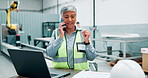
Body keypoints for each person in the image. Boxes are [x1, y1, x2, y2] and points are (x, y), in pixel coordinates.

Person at [46, 5, 96, 70]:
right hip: (61, 73)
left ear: (76, 17)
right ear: (62, 18)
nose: (70, 20)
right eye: (66, 17)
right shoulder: (56, 33)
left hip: (80, 73)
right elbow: (50, 53)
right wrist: (60, 37)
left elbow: (92, 57)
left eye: (72, 16)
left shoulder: (83, 33)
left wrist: (87, 43)